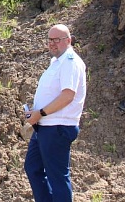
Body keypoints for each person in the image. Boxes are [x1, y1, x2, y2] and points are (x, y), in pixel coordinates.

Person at [24, 24, 87, 202]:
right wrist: (36, 113)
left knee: (57, 177)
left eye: (57, 40)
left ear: (68, 41)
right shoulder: (57, 62)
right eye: (50, 40)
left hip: (57, 127)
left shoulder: (70, 62)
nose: (52, 43)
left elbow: (67, 96)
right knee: (33, 168)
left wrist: (41, 113)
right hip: (45, 125)